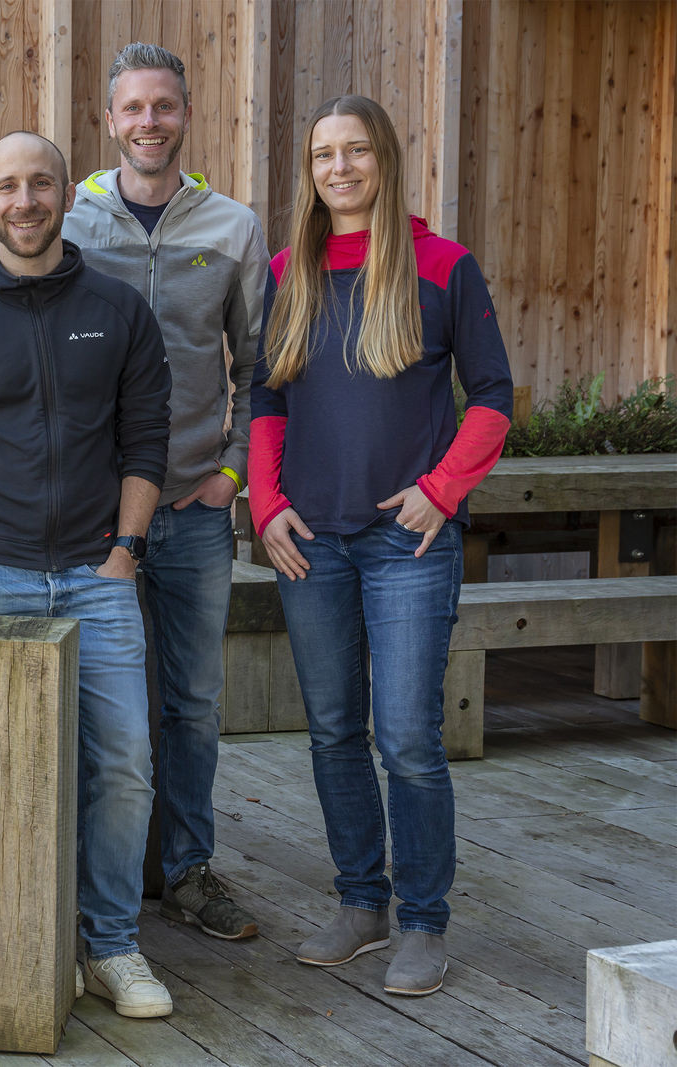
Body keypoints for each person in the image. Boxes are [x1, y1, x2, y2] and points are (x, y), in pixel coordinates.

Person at [0, 131, 175, 1019]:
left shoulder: (118, 309)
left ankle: (109, 945)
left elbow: (146, 440)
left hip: (99, 580)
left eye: (41, 183)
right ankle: (9, 942)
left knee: (124, 763)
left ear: (66, 195)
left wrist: (123, 553)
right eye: (6, 187)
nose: (24, 200)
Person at [249, 95, 512, 996]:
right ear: (312, 171)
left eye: (356, 150)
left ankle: (424, 921)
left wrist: (441, 490)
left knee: (406, 735)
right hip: (309, 542)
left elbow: (493, 398)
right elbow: (267, 401)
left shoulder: (443, 267)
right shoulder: (291, 270)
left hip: (407, 542)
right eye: (325, 154)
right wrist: (267, 506)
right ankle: (360, 903)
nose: (340, 168)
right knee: (332, 732)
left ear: (385, 160)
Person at [64, 42, 268, 941]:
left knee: (191, 699)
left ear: (186, 115)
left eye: (165, 106)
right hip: (87, 513)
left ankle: (186, 868)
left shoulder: (231, 229)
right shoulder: (69, 224)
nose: (150, 121)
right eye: (133, 107)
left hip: (191, 504)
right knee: (89, 696)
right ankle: (80, 875)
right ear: (110, 121)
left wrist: (232, 473)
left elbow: (261, 371)